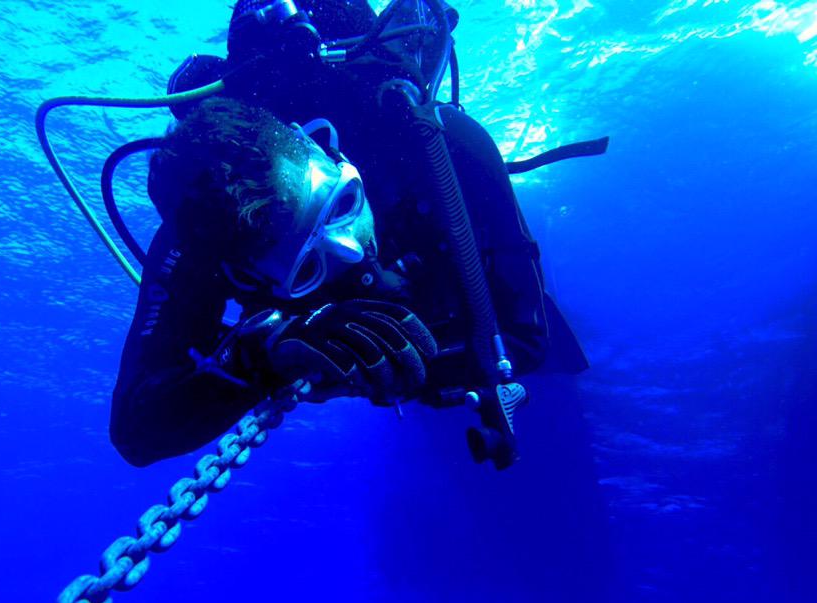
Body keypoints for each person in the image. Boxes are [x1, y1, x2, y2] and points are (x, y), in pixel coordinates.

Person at [110, 0, 595, 467]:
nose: (352, 252)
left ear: (326, 148)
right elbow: (136, 430)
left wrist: (378, 374)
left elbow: (524, 342)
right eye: (307, 267)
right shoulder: (205, 230)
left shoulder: (445, 145)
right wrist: (258, 357)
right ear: (243, 271)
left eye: (342, 205)